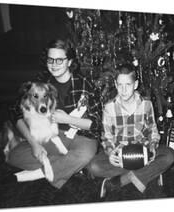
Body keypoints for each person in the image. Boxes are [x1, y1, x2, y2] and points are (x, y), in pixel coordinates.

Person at [6, 39, 102, 189]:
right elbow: (15, 111)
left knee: (85, 154)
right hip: (51, 136)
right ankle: (68, 166)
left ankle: (39, 173)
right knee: (14, 156)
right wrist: (33, 143)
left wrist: (67, 118)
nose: (54, 64)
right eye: (50, 59)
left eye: (59, 60)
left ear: (69, 62)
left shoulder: (84, 85)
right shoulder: (40, 83)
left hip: (81, 136)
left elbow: (96, 124)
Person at [87, 64, 174, 198]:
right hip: (121, 154)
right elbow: (106, 137)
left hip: (143, 153)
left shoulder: (146, 104)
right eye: (120, 85)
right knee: (93, 166)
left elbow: (153, 131)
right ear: (115, 85)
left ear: (135, 84)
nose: (123, 90)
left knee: (170, 155)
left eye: (128, 85)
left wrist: (152, 148)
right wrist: (111, 153)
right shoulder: (109, 108)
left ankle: (123, 180)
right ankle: (148, 173)